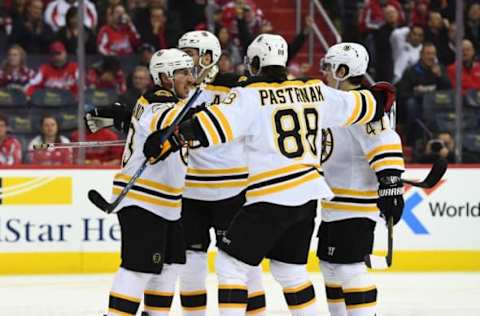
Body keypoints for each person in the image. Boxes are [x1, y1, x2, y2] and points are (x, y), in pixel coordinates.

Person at [154, 34, 395, 315]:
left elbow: (210, 127)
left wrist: (171, 136)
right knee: (289, 270)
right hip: (308, 198)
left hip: (271, 196)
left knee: (229, 265)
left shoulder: (250, 96)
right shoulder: (314, 90)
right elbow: (365, 105)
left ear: (255, 63)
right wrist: (384, 93)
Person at [105, 48, 195, 316]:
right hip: (143, 200)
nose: (190, 78)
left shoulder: (170, 101)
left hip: (167, 203)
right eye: (183, 73)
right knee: (137, 269)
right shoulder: (159, 101)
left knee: (171, 266)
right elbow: (168, 117)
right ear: (166, 77)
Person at [318, 42, 405, 316]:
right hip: (333, 205)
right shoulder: (338, 103)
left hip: (356, 205)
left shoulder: (363, 105)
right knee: (329, 266)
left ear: (342, 70)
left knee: (348, 268)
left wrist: (391, 183)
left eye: (329, 67)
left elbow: (385, 140)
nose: (324, 73)